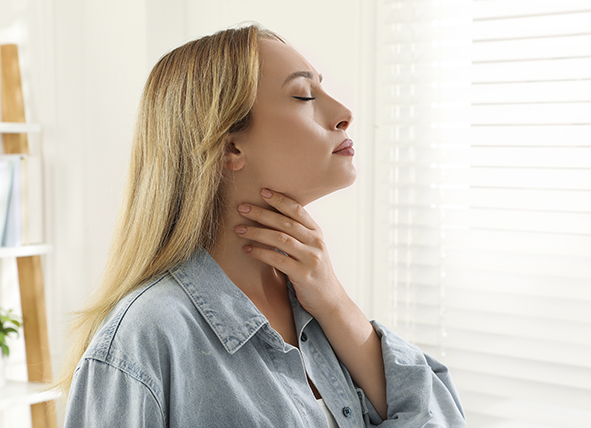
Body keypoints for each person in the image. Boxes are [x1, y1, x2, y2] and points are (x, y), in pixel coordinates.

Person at [58, 23, 466, 427]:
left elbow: (442, 417)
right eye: (304, 95)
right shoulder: (145, 337)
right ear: (231, 146)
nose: (344, 114)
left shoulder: (314, 304)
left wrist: (336, 302)